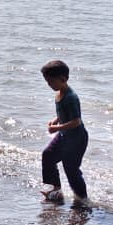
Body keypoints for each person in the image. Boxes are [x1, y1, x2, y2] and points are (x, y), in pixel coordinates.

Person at [40, 59, 88, 205]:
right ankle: (55, 189)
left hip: (77, 138)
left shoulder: (71, 97)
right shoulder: (59, 93)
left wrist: (56, 128)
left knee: (71, 169)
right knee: (48, 155)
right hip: (64, 136)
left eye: (51, 82)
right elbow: (63, 114)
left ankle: (82, 198)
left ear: (64, 79)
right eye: (48, 83)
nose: (50, 85)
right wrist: (56, 120)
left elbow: (76, 121)